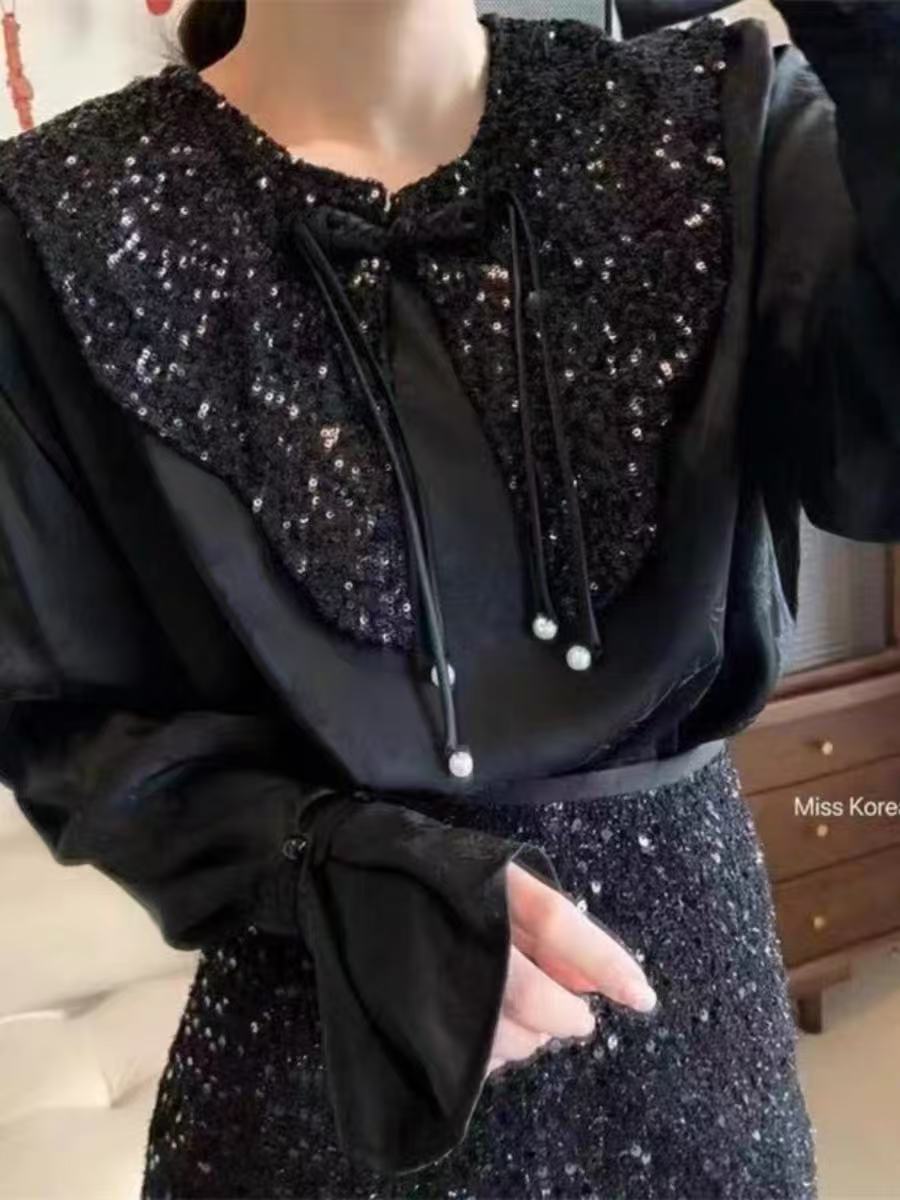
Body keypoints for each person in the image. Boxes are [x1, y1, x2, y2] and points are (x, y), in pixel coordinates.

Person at [0, 0, 896, 1195]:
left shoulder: (721, 121)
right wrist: (313, 859)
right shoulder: (54, 223)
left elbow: (876, 459)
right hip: (317, 1077)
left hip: (696, 1061)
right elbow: (63, 721)